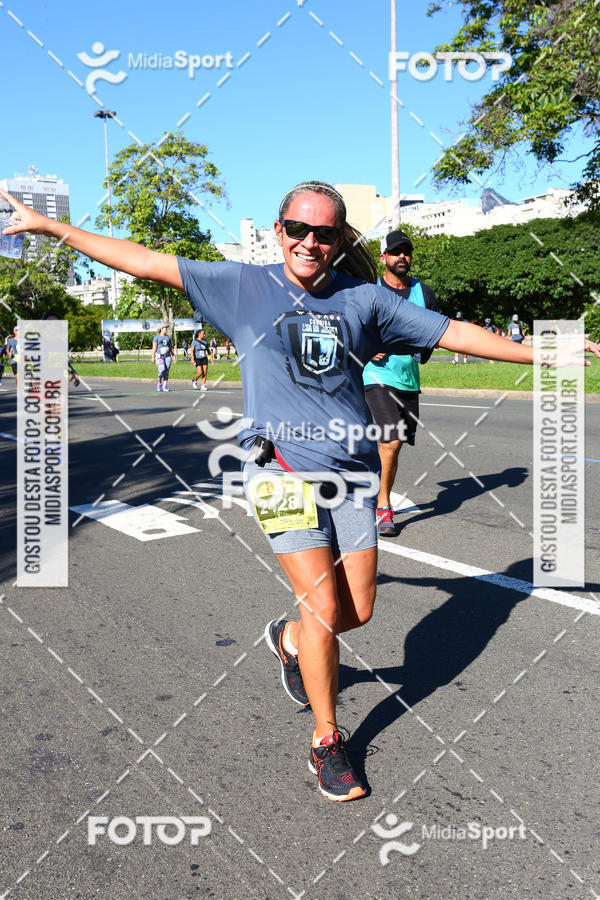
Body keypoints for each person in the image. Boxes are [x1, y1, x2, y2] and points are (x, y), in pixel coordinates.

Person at [2, 181, 597, 803]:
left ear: (341, 240)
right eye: (298, 229)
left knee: (355, 612)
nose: (309, 242)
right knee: (321, 610)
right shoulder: (242, 286)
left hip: (354, 474)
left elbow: (455, 333)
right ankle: (327, 741)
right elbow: (143, 259)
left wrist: (545, 352)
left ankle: (287, 641)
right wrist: (54, 230)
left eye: (325, 233)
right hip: (277, 468)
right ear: (278, 229)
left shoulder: (366, 301)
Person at [362, 229, 439, 537]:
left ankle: (367, 487)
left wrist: (423, 351)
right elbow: (352, 329)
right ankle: (383, 506)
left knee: (392, 446)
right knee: (390, 441)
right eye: (396, 252)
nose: (402, 256)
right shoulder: (369, 290)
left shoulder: (424, 293)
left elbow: (434, 332)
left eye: (406, 252)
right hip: (376, 374)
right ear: (384, 258)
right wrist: (368, 347)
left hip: (408, 378)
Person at [151, 324, 175, 392]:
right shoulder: (157, 337)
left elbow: (171, 347)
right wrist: (153, 357)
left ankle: (165, 386)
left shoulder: (168, 337)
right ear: (161, 329)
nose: (166, 329)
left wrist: (173, 356)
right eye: (165, 328)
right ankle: (159, 383)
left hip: (167, 356)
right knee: (162, 370)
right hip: (159, 356)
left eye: (167, 328)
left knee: (166, 371)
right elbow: (154, 348)